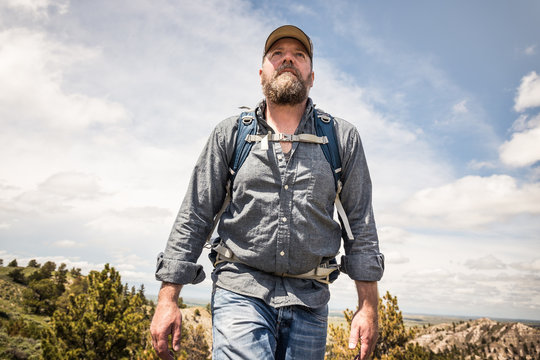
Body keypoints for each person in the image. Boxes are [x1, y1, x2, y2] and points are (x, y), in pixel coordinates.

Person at [150, 25, 384, 360]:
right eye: (278, 54)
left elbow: (360, 223)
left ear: (312, 76)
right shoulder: (231, 134)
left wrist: (367, 306)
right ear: (262, 74)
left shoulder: (342, 139)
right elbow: (195, 213)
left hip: (311, 300)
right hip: (239, 291)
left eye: (299, 55)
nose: (288, 58)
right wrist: (167, 297)